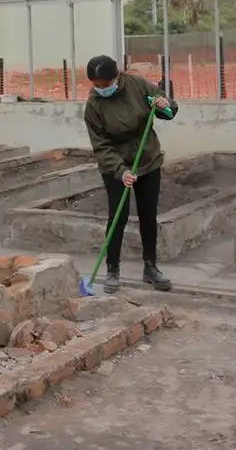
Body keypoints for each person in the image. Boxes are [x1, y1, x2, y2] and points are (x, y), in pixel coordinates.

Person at [83, 54, 178, 294]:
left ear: (117, 76)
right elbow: (101, 145)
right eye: (97, 85)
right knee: (118, 215)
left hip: (147, 159)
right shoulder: (94, 104)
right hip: (115, 165)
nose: (102, 89)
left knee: (148, 214)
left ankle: (151, 267)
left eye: (105, 84)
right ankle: (112, 269)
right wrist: (120, 170)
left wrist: (164, 106)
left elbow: (166, 109)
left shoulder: (138, 85)